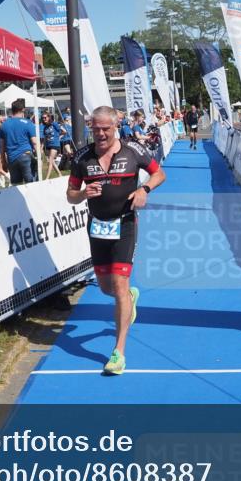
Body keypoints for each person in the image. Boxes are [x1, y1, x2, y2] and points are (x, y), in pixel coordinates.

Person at [66, 106, 166, 375]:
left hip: (125, 225)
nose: (100, 134)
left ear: (115, 127)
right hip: (97, 228)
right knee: (105, 288)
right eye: (95, 129)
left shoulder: (133, 150)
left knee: (120, 285)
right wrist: (84, 193)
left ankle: (118, 352)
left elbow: (159, 174)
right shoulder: (82, 157)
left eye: (105, 129)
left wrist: (144, 189)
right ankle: (129, 299)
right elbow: (70, 194)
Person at [0, 98, 39, 185]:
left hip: (11, 158)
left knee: (16, 186)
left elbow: (2, 146)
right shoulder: (28, 123)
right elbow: (35, 142)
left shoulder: (4, 125)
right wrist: (40, 156)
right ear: (23, 109)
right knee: (31, 184)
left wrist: (3, 161)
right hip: (25, 155)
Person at [41, 112, 62, 177]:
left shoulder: (54, 124)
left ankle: (47, 178)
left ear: (49, 117)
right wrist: (42, 146)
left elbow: (62, 131)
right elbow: (45, 138)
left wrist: (59, 137)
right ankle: (59, 174)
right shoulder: (45, 127)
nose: (44, 119)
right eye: (43, 118)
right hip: (48, 145)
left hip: (55, 144)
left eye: (45, 117)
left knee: (50, 160)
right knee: (52, 161)